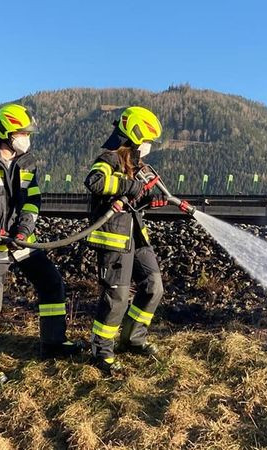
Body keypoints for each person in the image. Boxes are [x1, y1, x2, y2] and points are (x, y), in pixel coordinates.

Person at [0, 103, 83, 386]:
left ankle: (53, 342)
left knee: (51, 284)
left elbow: (33, 201)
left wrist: (25, 229)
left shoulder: (26, 164)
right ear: (7, 133)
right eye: (23, 133)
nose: (27, 138)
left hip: (22, 242)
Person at [84, 106, 168, 374]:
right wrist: (130, 186)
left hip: (136, 237)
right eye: (147, 140)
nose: (148, 146)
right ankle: (101, 351)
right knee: (117, 297)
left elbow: (137, 198)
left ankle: (133, 339)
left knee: (153, 286)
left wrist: (150, 199)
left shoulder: (137, 165)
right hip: (113, 238)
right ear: (134, 135)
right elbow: (95, 182)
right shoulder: (109, 158)